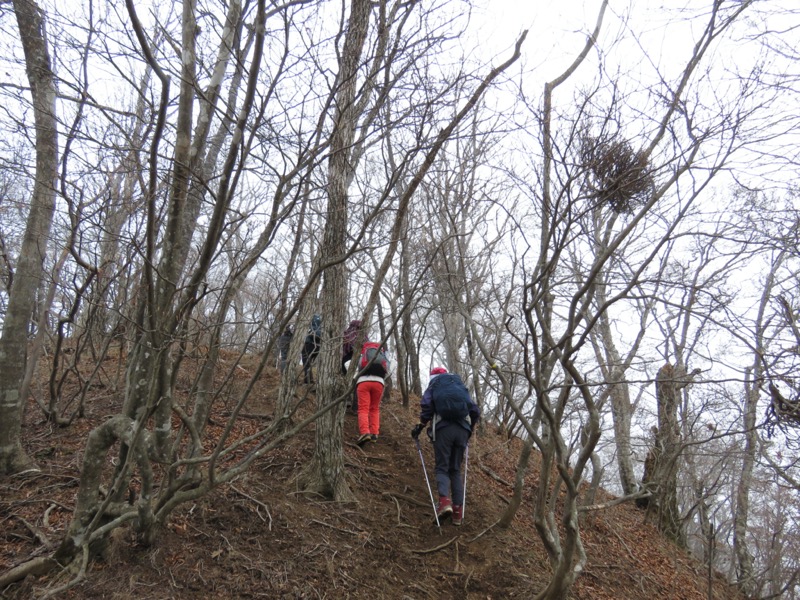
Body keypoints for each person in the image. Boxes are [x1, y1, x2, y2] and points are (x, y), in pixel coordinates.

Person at [411, 367, 480, 526]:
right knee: (455, 470)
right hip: (463, 430)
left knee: (442, 467)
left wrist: (420, 426)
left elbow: (427, 406)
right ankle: (457, 512)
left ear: (432, 377)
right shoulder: (459, 386)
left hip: (444, 430)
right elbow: (474, 410)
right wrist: (469, 429)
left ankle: (444, 503)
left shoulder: (434, 386)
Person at [349, 341, 391, 447]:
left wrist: (355, 378)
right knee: (375, 408)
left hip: (363, 382)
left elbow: (347, 365)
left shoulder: (363, 355)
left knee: (363, 408)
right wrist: (381, 379)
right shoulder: (382, 356)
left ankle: (364, 433)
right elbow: (389, 370)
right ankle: (374, 434)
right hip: (379, 383)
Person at [301, 314, 322, 384]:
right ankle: (310, 380)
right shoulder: (320, 327)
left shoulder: (310, 327)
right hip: (317, 347)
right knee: (309, 364)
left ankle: (307, 381)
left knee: (306, 364)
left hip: (308, 346)